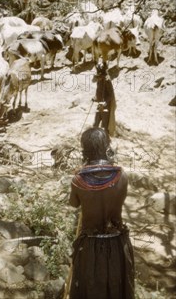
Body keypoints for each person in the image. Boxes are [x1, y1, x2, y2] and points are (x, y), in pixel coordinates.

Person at [68, 127, 134, 299]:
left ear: (85, 150)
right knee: (118, 291)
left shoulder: (79, 180)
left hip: (90, 247)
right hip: (118, 245)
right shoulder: (121, 176)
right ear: (107, 148)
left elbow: (73, 204)